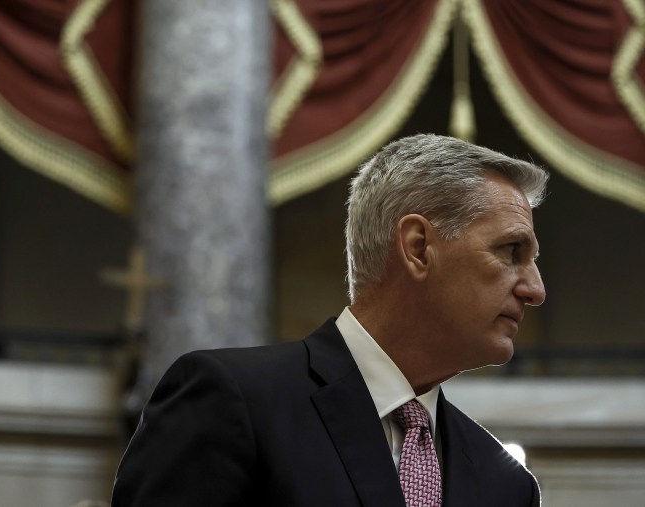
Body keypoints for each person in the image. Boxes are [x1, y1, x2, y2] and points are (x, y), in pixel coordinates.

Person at [111, 134, 548, 507]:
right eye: (512, 252)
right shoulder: (231, 401)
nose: (536, 290)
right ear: (418, 248)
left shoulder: (506, 486)